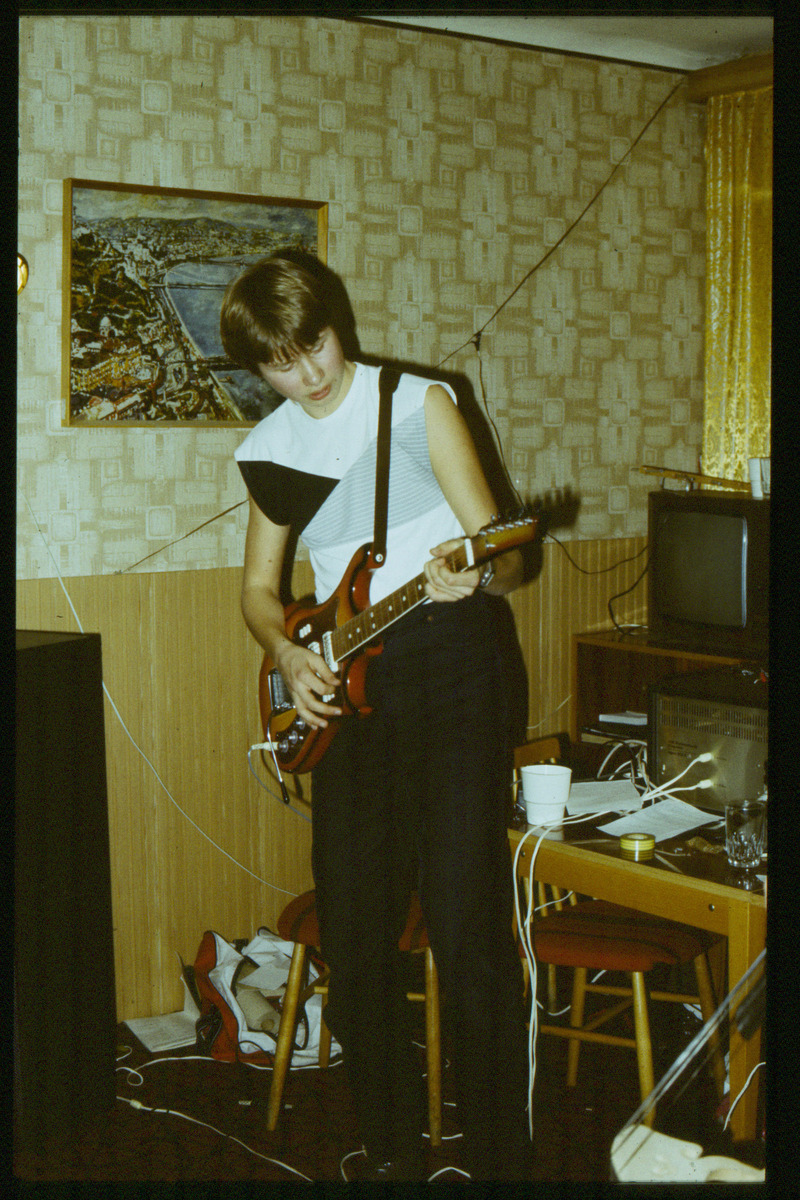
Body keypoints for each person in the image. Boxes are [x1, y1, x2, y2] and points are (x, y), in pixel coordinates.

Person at [220, 251, 533, 1181]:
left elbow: (513, 557)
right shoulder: (270, 448)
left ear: (335, 324)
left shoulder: (419, 403)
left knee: (466, 928)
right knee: (354, 939)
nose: (309, 375)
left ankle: (501, 1160)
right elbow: (258, 591)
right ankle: (391, 1148)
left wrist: (478, 573)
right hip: (347, 683)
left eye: (315, 345)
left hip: (452, 667)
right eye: (281, 364)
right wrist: (287, 652)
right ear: (259, 369)